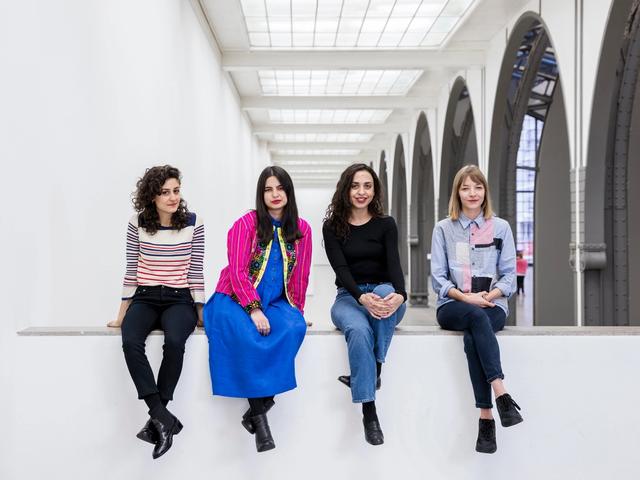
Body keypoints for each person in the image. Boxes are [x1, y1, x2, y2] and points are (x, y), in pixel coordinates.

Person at [203, 166, 312, 453]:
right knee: (248, 334)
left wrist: (297, 309)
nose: (275, 194)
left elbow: (301, 275)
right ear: (260, 194)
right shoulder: (245, 224)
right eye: (268, 189)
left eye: (280, 188)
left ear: (289, 192)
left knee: (295, 327)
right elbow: (237, 271)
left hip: (275, 301)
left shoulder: (302, 229)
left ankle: (259, 407)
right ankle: (261, 421)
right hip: (234, 297)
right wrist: (253, 309)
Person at [108, 165, 204, 459]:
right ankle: (161, 415)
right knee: (130, 341)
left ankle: (159, 421)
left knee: (174, 342)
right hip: (145, 297)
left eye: (176, 191)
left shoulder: (193, 222)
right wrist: (122, 314)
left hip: (179, 299)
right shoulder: (136, 222)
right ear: (152, 196)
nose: (173, 197)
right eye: (165, 192)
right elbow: (131, 269)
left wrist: (201, 313)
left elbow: (196, 271)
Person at [430, 164, 523, 454]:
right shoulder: (443, 229)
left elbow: (509, 276)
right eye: (466, 187)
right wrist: (467, 298)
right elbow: (438, 278)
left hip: (492, 304)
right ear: (457, 193)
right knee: (473, 315)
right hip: (453, 305)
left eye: (478, 187)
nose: (472, 193)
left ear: (485, 192)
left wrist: (489, 296)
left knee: (473, 335)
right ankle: (501, 393)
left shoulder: (501, 227)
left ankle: (486, 418)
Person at [322, 163, 407, 446]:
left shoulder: (386, 224)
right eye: (355, 186)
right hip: (349, 297)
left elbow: (394, 264)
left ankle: (375, 369)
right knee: (358, 330)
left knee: (384, 297)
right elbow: (341, 269)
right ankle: (369, 411)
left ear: (375, 190)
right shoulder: (332, 227)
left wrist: (401, 294)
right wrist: (361, 297)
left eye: (367, 186)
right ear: (345, 190)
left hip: (385, 292)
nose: (361, 192)